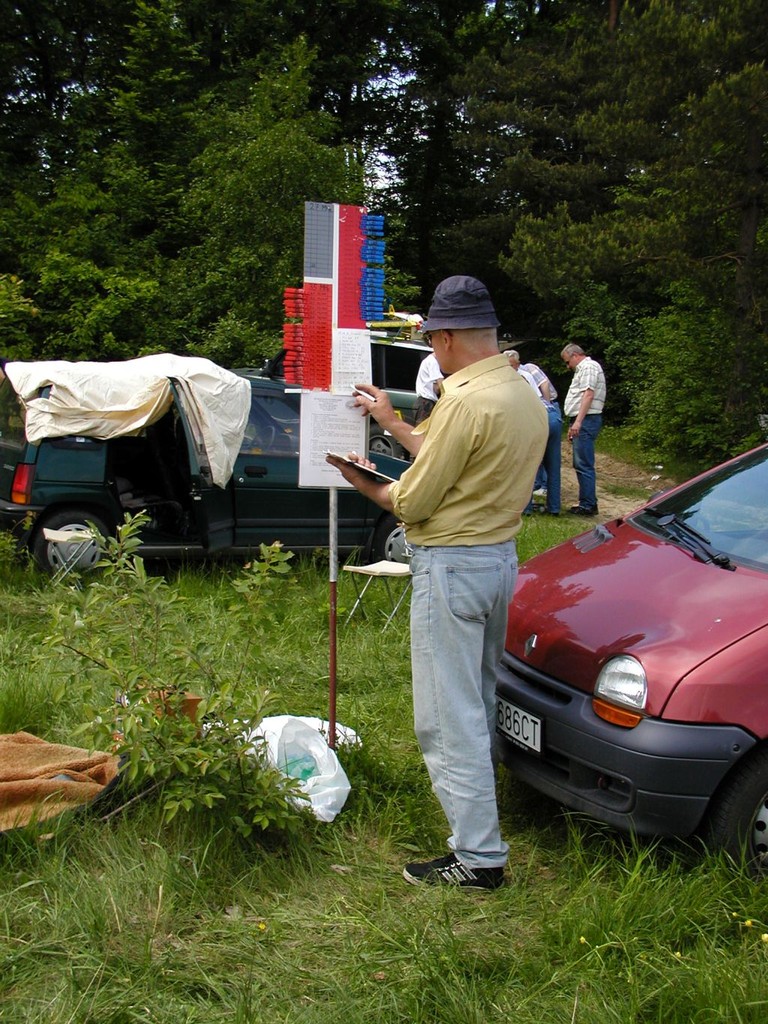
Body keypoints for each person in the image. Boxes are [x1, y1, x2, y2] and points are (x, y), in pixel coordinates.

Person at [327, 276, 546, 890]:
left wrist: (362, 479)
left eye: (431, 341)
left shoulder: (464, 400)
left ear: (445, 337)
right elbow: (454, 454)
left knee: (447, 716)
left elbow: (414, 501)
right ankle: (486, 823)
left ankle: (478, 856)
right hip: (498, 560)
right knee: (477, 695)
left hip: (452, 565)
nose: (433, 352)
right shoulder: (521, 391)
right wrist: (392, 421)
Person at [506, 350, 562, 516]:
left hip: (535, 418)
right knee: (553, 466)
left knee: (528, 464)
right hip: (552, 415)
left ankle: (526, 508)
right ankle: (554, 508)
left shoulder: (510, 380)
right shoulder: (527, 374)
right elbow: (540, 396)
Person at [561, 343, 606, 516]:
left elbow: (588, 394)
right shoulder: (585, 368)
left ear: (575, 355)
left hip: (587, 419)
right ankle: (587, 502)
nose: (568, 366)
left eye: (568, 362)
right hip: (583, 419)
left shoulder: (588, 367)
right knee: (580, 462)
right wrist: (574, 423)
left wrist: (578, 422)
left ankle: (588, 505)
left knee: (583, 463)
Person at [413, 351, 443, 424]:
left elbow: (436, 388)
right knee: (423, 429)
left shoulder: (428, 361)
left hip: (425, 402)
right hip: (426, 403)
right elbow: (441, 384)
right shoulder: (433, 362)